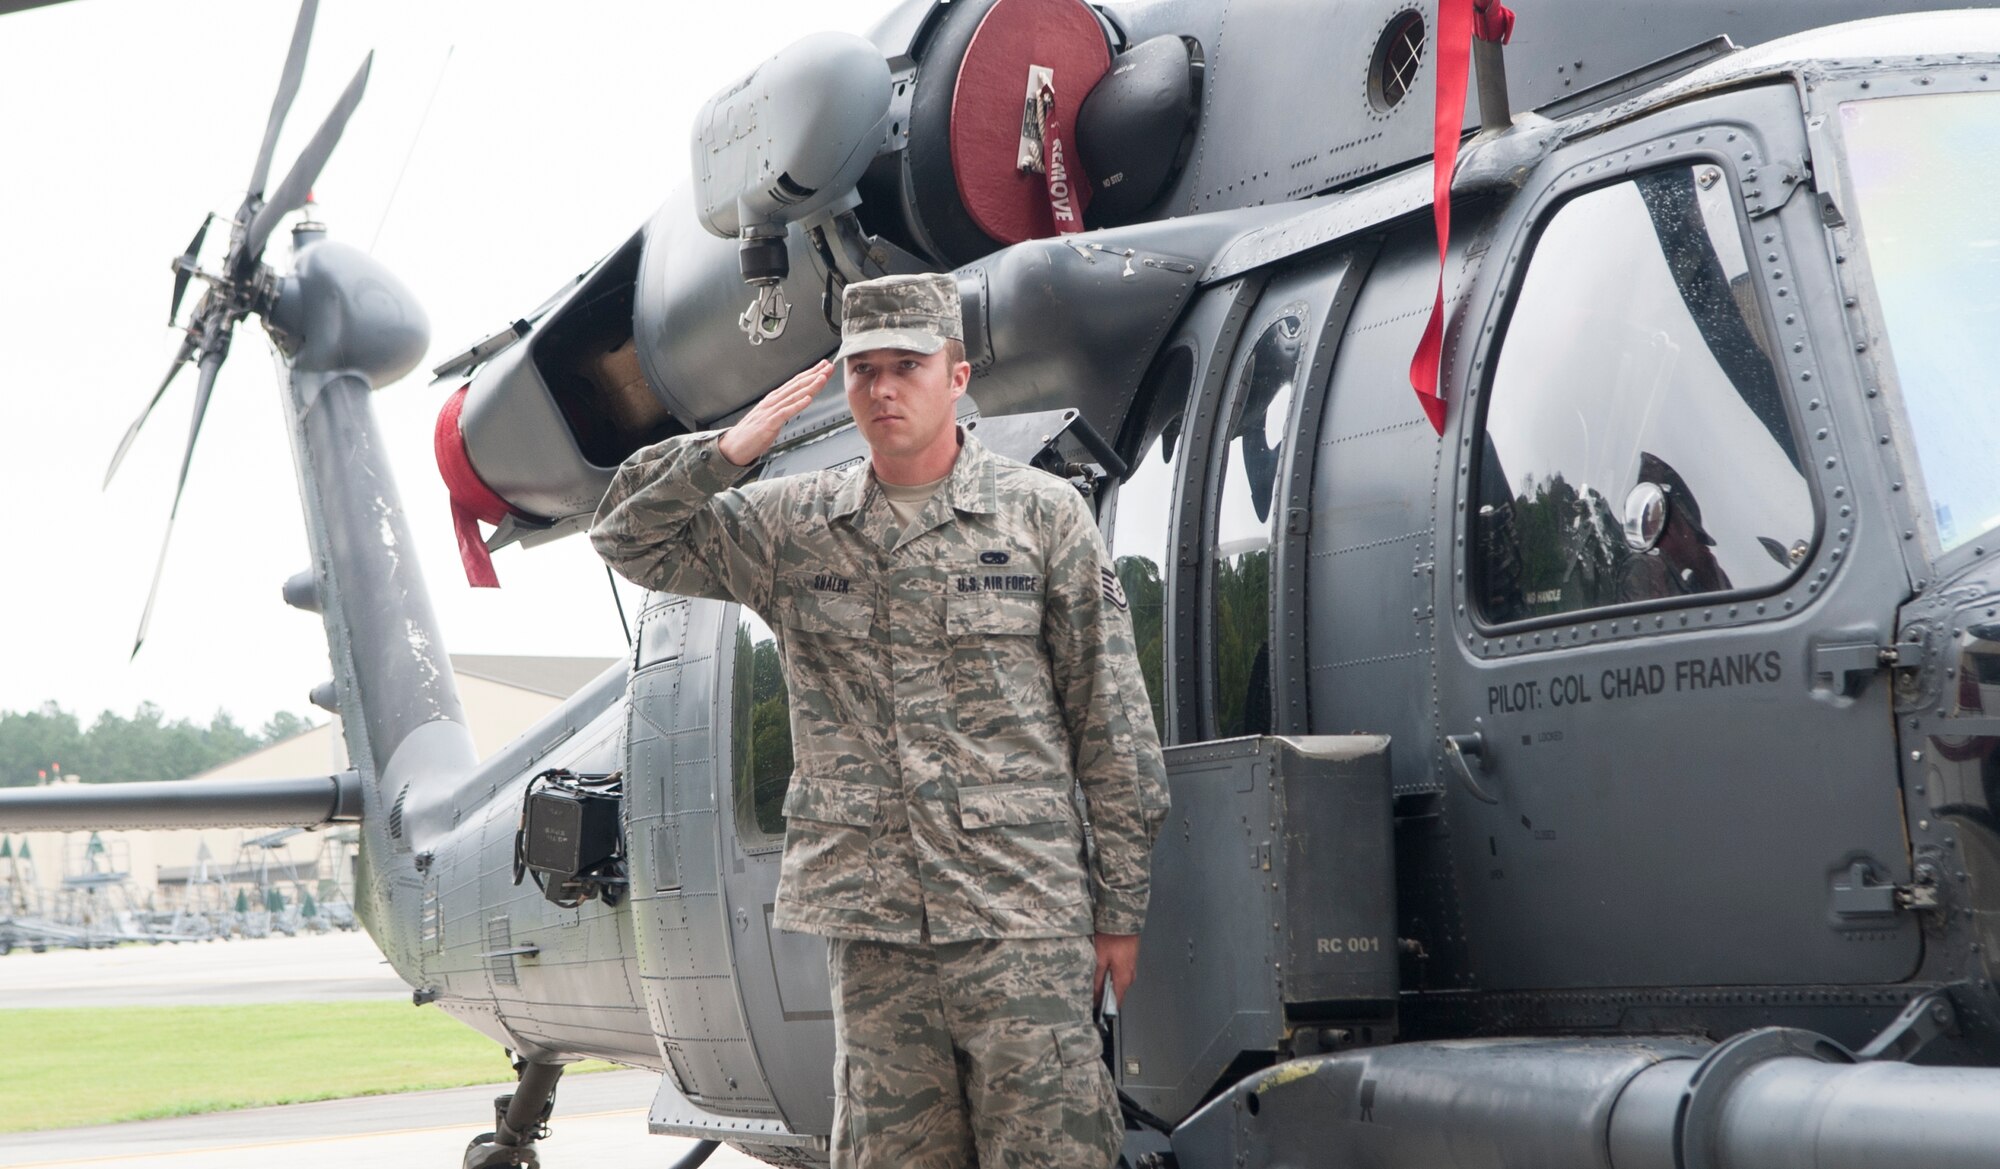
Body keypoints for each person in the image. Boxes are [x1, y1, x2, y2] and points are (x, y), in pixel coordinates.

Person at [592, 272, 1169, 1168]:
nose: (884, 388)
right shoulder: (794, 525)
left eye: (908, 365)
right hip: (878, 938)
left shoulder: (1042, 516)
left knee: (1056, 1153)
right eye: (864, 370)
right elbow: (631, 537)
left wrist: (1120, 911)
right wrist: (727, 453)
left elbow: (1113, 727)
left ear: (959, 374)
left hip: (1023, 918)